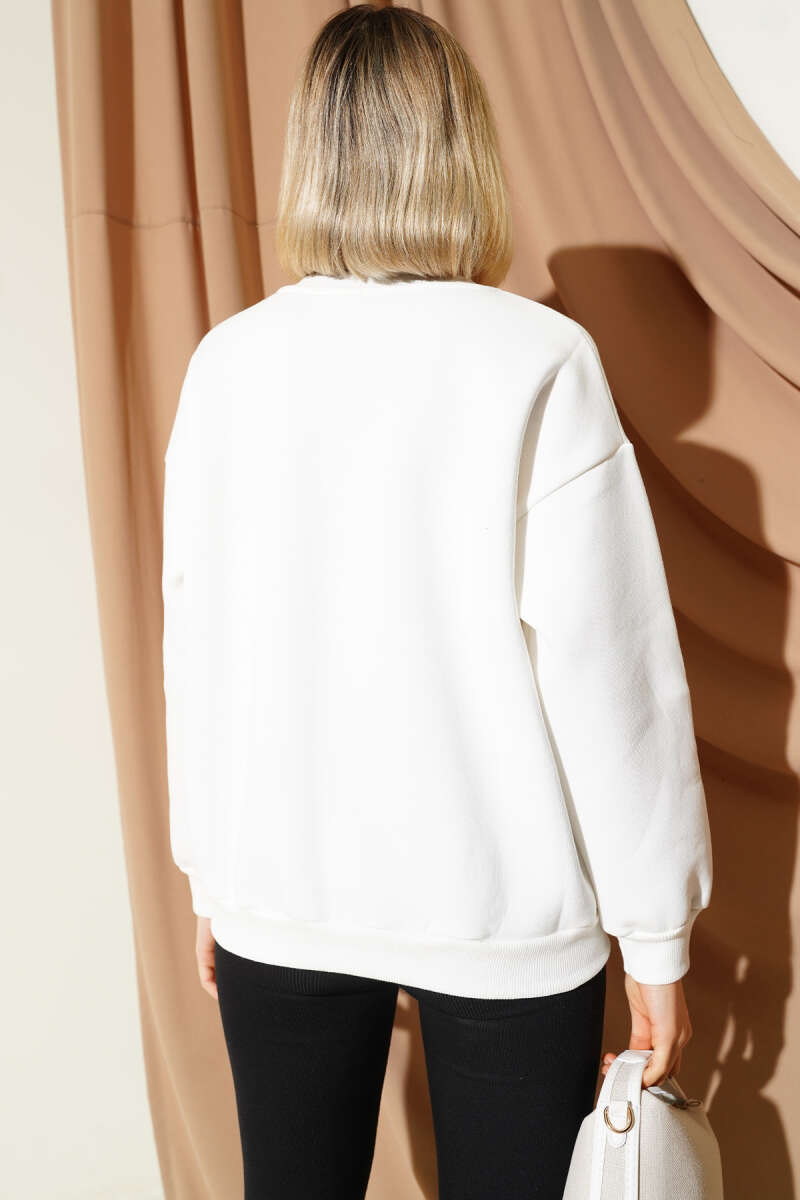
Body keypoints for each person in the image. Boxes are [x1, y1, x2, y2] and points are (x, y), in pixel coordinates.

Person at [161, 5, 713, 1198]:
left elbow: (196, 641)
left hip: (280, 891)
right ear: (461, 146)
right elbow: (608, 671)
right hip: (501, 909)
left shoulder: (227, 364)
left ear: (312, 152)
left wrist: (214, 874)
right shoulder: (536, 359)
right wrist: (654, 937)